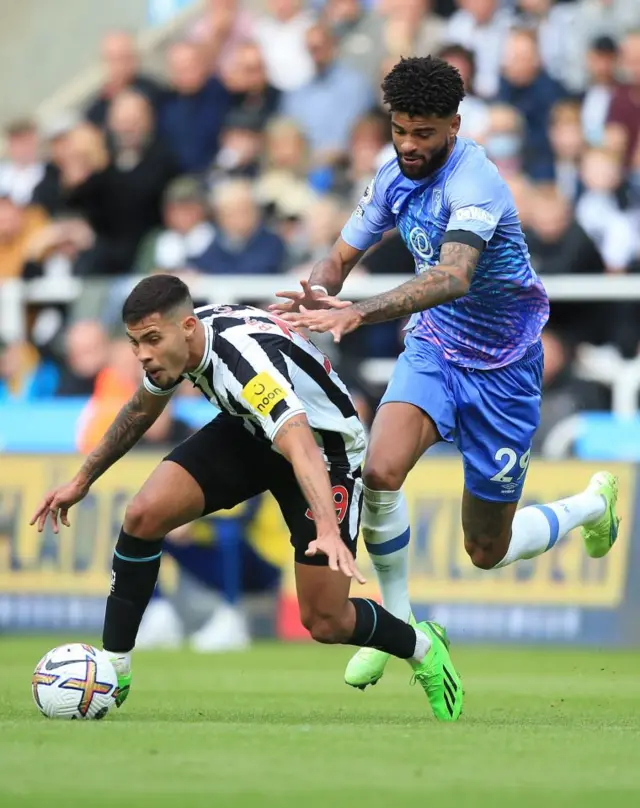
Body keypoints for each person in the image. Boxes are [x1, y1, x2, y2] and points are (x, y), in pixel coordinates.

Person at [274, 56, 620, 691]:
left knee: (486, 550)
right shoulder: (392, 175)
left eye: (424, 133)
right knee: (379, 469)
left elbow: (454, 275)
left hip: (505, 369)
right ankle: (404, 630)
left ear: (454, 126)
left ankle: (591, 505)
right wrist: (314, 296)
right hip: (434, 350)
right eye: (400, 130)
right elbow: (340, 257)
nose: (409, 144)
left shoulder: (477, 182)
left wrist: (361, 313)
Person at [30, 274, 463, 722]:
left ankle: (423, 647)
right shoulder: (178, 350)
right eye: (135, 342)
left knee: (325, 620)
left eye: (152, 340)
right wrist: (82, 480)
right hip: (252, 432)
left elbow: (301, 446)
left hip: (326, 450)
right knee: (143, 515)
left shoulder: (245, 366)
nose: (143, 354)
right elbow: (142, 408)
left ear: (188, 329)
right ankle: (115, 667)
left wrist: (330, 531)